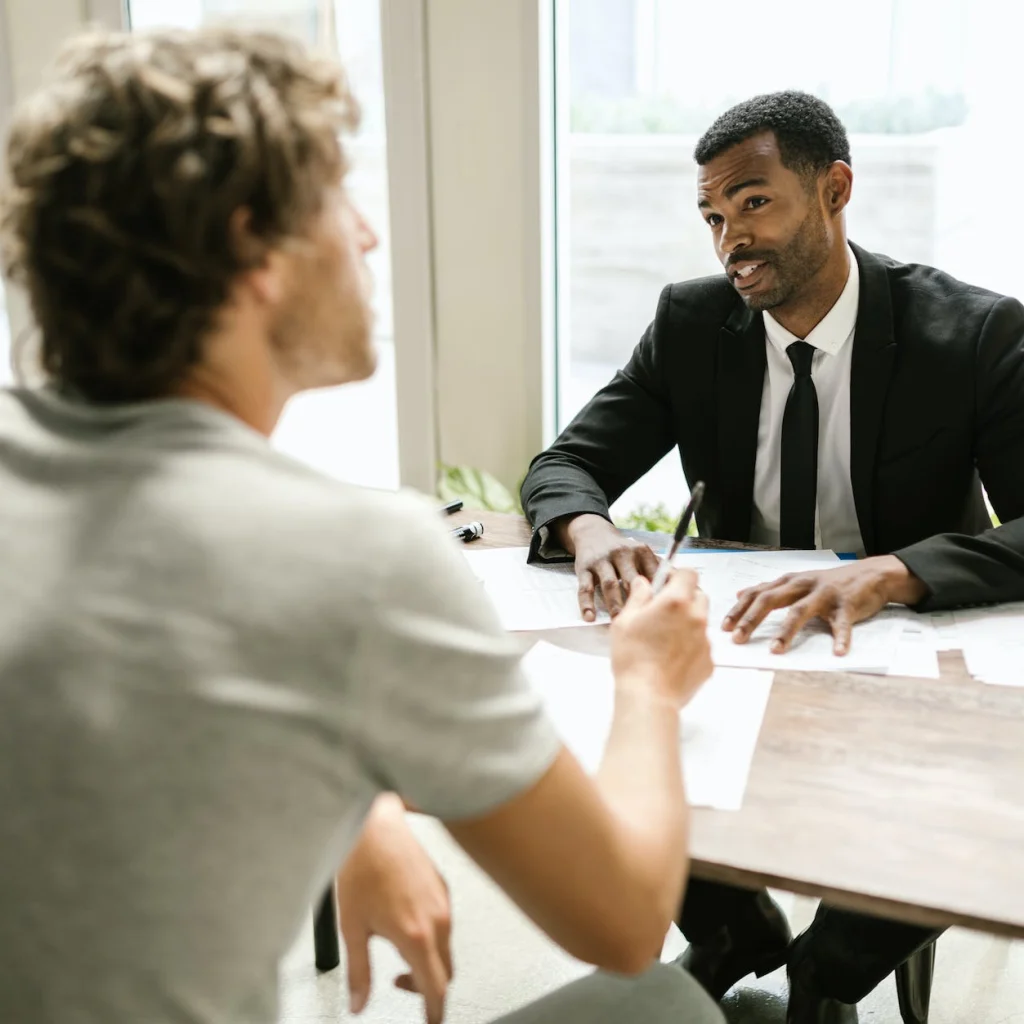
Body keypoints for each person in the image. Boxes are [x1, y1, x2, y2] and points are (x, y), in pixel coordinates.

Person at [0, 27, 725, 1024]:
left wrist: (362, 806)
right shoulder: (360, 558)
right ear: (253, 254)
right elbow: (629, 917)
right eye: (340, 199)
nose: (370, 236)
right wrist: (646, 681)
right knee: (663, 1003)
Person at [520, 90, 1024, 1023]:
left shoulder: (975, 333)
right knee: (587, 737)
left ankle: (824, 977)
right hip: (741, 642)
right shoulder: (691, 323)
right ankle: (730, 930)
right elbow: (567, 464)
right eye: (713, 215)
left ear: (834, 190)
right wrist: (590, 529)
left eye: (754, 203)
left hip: (901, 654)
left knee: (954, 816)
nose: (730, 240)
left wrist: (897, 569)